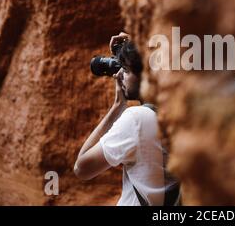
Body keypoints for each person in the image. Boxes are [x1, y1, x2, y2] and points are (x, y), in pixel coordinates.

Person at [74, 32, 179, 206]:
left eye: (127, 69)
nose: (120, 74)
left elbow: (82, 168)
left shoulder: (138, 119)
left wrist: (117, 106)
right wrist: (140, 47)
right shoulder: (178, 114)